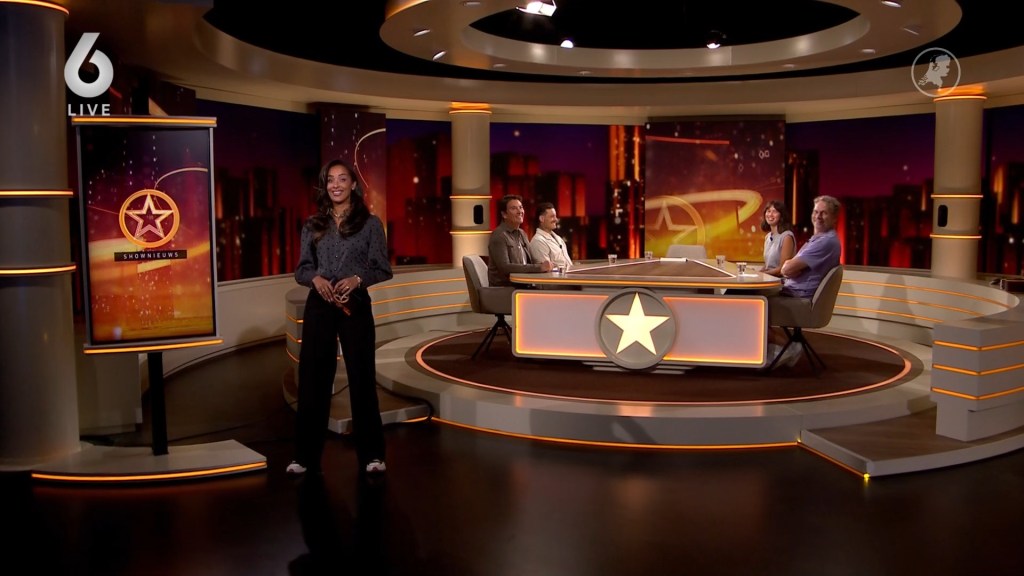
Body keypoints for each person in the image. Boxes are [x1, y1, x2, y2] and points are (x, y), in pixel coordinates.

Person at [288, 159, 393, 476]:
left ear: (353, 185)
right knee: (313, 380)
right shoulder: (313, 224)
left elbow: (382, 268)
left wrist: (357, 279)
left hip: (354, 306)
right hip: (319, 305)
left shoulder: (370, 224)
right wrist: (315, 279)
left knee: (361, 378)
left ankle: (372, 455)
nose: (336, 185)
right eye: (330, 179)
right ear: (325, 185)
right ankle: (304, 457)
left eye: (342, 179)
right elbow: (302, 269)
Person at [769, 195, 843, 367]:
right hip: (793, 292)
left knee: (752, 303)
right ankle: (771, 349)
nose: (818, 216)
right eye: (816, 212)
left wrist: (791, 268)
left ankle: (787, 348)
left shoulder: (825, 242)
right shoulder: (818, 239)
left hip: (798, 298)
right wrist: (792, 268)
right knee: (747, 297)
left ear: (834, 218)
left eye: (823, 213)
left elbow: (786, 269)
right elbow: (790, 268)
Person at [488, 194, 552, 286]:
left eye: (521, 207)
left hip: (524, 284)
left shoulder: (522, 234)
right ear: (504, 214)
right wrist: (539, 268)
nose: (520, 211)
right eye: (514, 208)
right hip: (505, 288)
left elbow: (530, 261)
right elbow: (505, 267)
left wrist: (545, 265)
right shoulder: (499, 235)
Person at [528, 202, 573, 272]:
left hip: (570, 277)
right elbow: (546, 271)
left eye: (555, 216)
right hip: (559, 279)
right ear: (541, 219)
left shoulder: (558, 238)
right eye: (552, 217)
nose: (556, 219)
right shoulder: (538, 242)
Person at [760, 200, 796, 277]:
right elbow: (768, 266)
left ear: (781, 216)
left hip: (781, 281)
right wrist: (756, 273)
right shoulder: (768, 236)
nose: (770, 214)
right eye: (768, 211)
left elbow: (782, 269)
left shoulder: (787, 237)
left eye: (774, 211)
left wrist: (762, 274)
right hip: (769, 278)